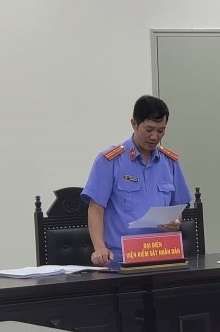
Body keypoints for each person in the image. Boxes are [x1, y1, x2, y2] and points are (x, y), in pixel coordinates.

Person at [82, 95, 192, 267]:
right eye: (149, 129)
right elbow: (95, 209)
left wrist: (175, 221)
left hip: (162, 255)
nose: (154, 137)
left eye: (161, 131)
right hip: (122, 258)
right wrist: (99, 247)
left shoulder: (170, 162)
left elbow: (177, 206)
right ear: (134, 124)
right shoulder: (110, 161)